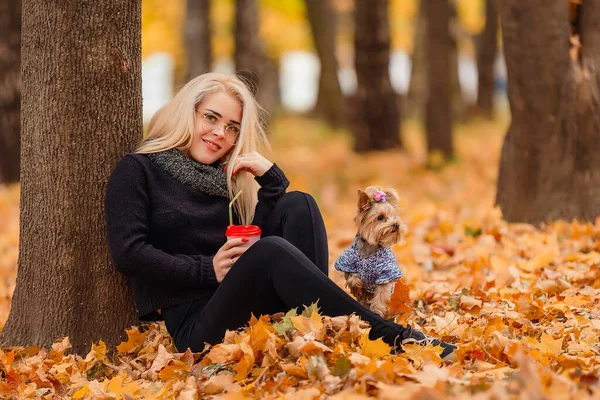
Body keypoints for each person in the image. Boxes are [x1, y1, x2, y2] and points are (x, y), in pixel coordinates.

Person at [104, 72, 457, 360]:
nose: (220, 134)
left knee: (299, 203)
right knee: (270, 250)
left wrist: (271, 180)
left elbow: (258, 236)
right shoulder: (139, 170)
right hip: (196, 325)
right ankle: (393, 338)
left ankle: (318, 330)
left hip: (244, 305)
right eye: (210, 118)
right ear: (188, 112)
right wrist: (205, 269)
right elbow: (129, 251)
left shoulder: (225, 178)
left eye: (232, 127)